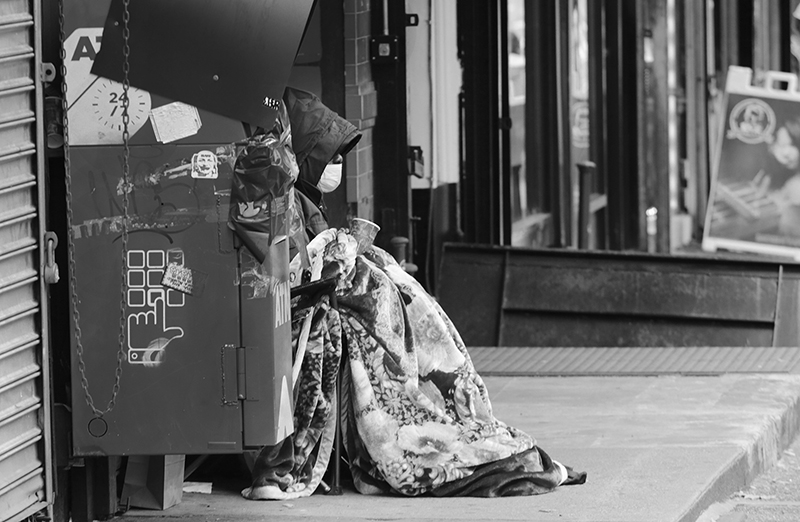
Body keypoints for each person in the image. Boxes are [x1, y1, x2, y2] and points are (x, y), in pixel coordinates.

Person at [239, 90, 586, 501]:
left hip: (320, 301)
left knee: (408, 304)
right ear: (305, 154)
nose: (338, 167)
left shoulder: (302, 200)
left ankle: (458, 409)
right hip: (312, 311)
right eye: (331, 157)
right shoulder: (284, 201)